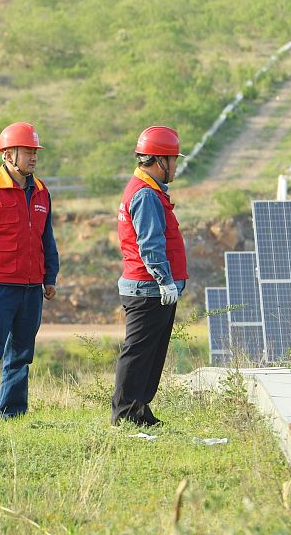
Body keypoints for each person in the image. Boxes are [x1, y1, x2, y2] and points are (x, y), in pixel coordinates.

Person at [0, 121, 59, 420]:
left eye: (34, 152)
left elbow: (47, 238)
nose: (33, 157)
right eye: (26, 151)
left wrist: (50, 277)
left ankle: (13, 416)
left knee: (21, 355)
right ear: (8, 155)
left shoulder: (41, 192)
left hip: (31, 287)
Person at [111, 125, 189, 427]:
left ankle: (140, 409)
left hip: (151, 288)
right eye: (173, 160)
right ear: (159, 161)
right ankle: (125, 413)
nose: (176, 166)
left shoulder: (148, 190)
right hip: (147, 288)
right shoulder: (145, 194)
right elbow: (150, 242)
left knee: (151, 354)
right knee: (139, 352)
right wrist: (164, 278)